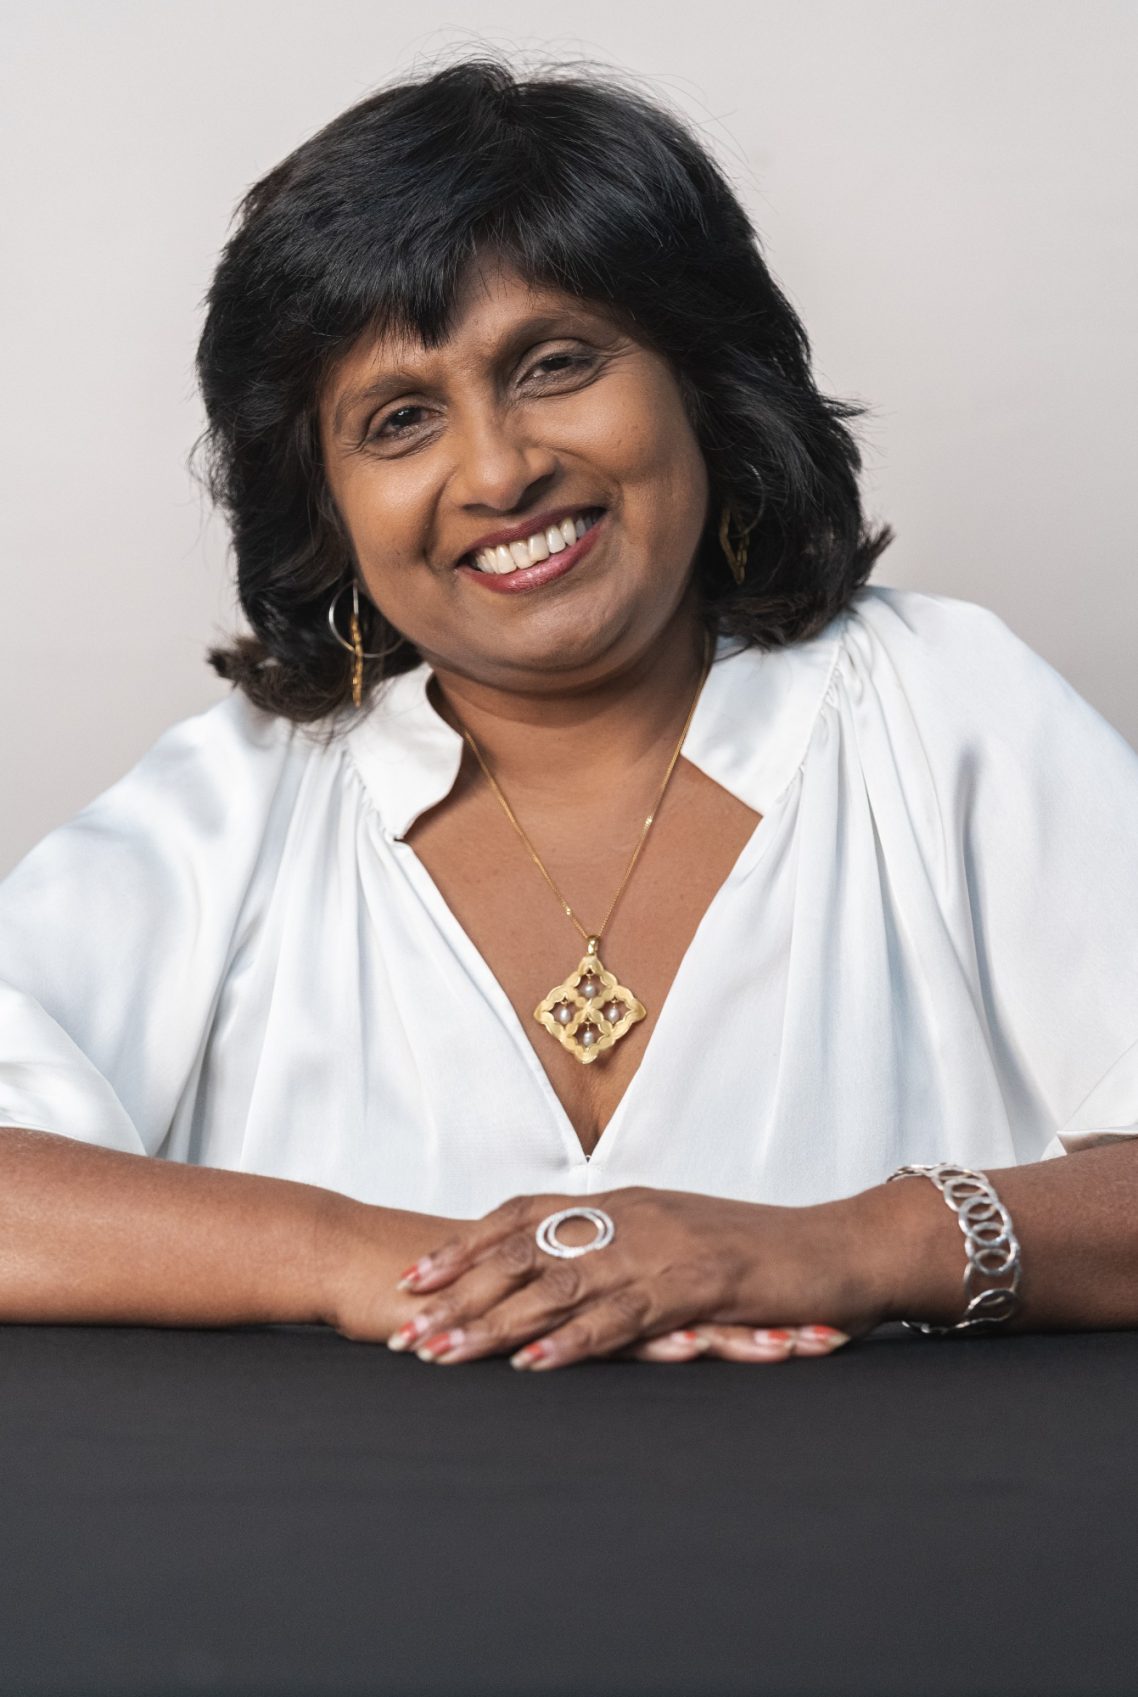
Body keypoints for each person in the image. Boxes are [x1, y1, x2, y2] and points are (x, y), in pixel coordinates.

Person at [2, 59, 1136, 1373]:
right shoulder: (234, 807)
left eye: (552, 363)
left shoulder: (944, 709)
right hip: (352, 1573)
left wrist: (837, 1242)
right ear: (323, 502)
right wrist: (355, 1255)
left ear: (700, 379)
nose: (498, 469)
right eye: (400, 418)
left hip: (891, 1565)